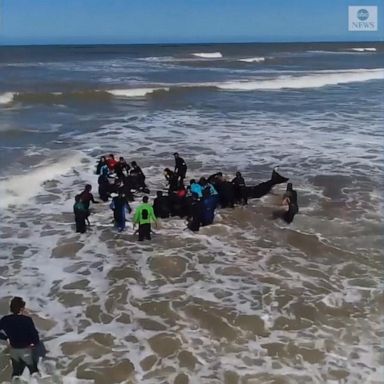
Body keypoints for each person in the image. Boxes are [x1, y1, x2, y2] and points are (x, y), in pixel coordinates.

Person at [0, 297, 40, 379]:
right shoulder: (27, 320)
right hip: (26, 349)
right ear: (21, 308)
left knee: (16, 373)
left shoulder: (5, 319)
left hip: (13, 350)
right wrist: (34, 344)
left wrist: (5, 338)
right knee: (34, 371)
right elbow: (34, 336)